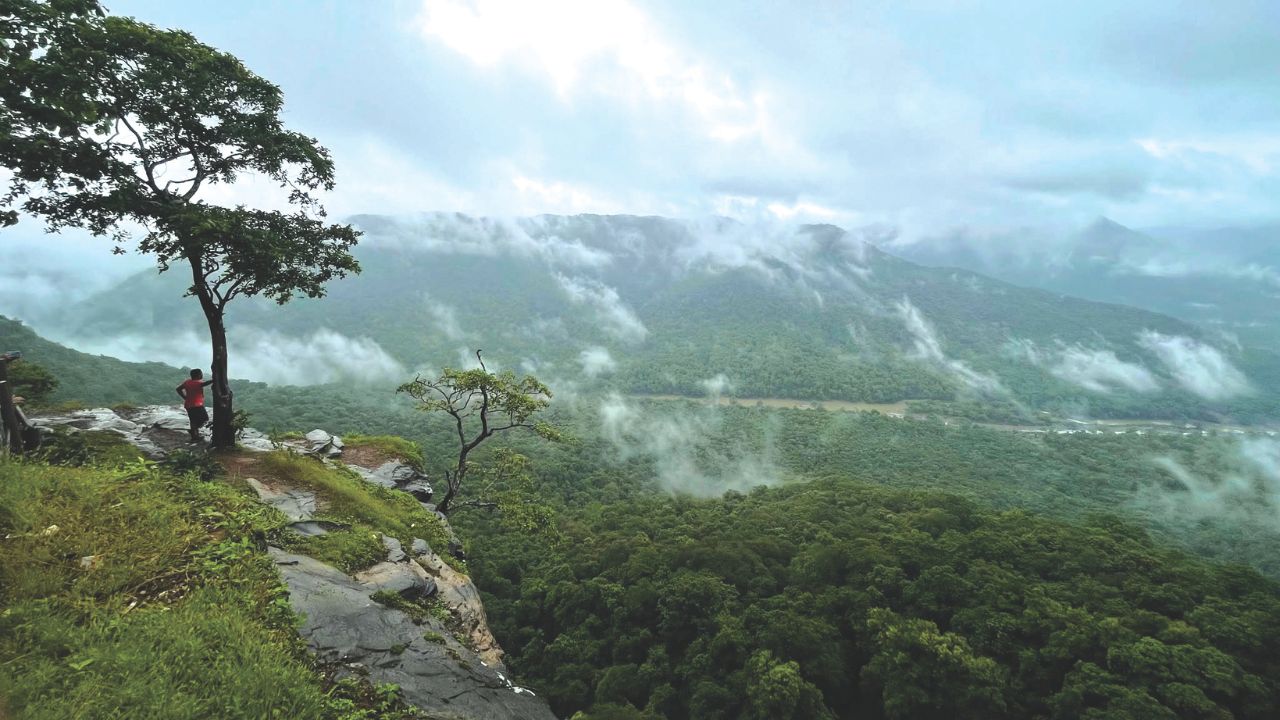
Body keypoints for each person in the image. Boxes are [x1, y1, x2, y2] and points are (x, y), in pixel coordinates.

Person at [176, 369, 214, 443]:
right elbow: (205, 383)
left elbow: (178, 389)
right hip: (197, 405)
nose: (202, 375)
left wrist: (184, 397)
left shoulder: (187, 382)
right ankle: (194, 430)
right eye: (201, 374)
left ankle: (194, 436)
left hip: (188, 405)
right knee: (205, 418)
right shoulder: (198, 383)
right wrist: (214, 380)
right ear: (198, 375)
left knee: (193, 420)